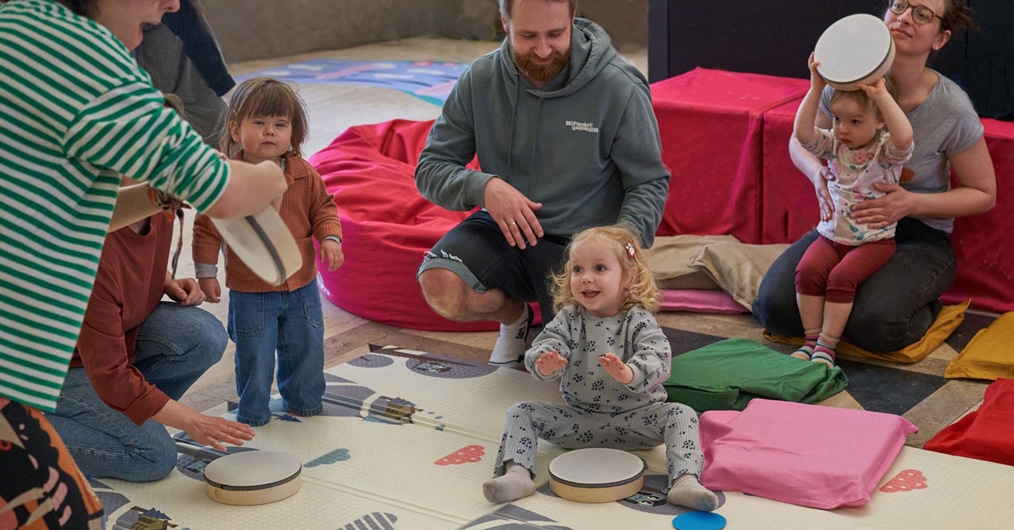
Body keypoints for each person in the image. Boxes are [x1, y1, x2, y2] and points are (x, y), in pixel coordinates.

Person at [0, 1, 286, 526]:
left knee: (198, 334)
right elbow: (224, 193)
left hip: (43, 354)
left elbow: (124, 205)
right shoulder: (76, 50)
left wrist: (162, 266)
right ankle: (114, 426)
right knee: (147, 459)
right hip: (38, 367)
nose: (174, 4)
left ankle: (120, 420)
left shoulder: (20, 26)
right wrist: (273, 175)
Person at [414, 0, 670, 367]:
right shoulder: (480, 79)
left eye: (556, 34)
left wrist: (620, 247)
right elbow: (430, 168)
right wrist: (484, 187)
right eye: (528, 35)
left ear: (573, 18)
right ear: (504, 23)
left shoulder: (618, 87)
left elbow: (648, 182)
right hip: (506, 226)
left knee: (587, 377)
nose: (543, 49)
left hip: (582, 245)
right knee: (440, 284)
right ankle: (514, 319)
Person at [753, 0, 996, 353]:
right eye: (900, 5)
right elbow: (802, 141)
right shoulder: (844, 80)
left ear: (940, 39)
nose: (904, 18)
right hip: (847, 222)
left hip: (918, 233)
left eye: (922, 14)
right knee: (776, 309)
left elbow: (984, 193)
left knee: (876, 323)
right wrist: (816, 172)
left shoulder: (951, 107)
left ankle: (921, 302)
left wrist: (910, 202)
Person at [45, 95, 256, 483]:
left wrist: (165, 282)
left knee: (202, 335)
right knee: (153, 456)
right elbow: (109, 373)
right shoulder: (88, 241)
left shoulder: (157, 204)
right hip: (52, 368)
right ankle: (17, 433)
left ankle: (128, 411)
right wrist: (190, 419)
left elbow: (134, 254)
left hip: (99, 348)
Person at [482, 226, 718, 510]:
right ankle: (517, 474)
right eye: (578, 269)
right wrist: (546, 364)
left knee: (683, 414)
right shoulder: (568, 319)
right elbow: (546, 345)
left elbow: (658, 356)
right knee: (520, 411)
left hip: (637, 421)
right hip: (581, 420)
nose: (587, 278)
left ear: (627, 277)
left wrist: (629, 373)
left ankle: (685, 480)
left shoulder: (638, 320)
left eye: (600, 268)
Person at [194, 77, 343, 427]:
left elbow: (323, 208)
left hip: (302, 284)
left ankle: (305, 405)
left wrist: (330, 238)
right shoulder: (228, 179)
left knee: (307, 348)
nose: (269, 133)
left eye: (280, 125)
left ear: (294, 132)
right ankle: (254, 413)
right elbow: (207, 227)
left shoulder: (302, 173)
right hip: (252, 290)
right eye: (259, 123)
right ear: (235, 128)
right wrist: (206, 273)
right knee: (255, 357)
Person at [790, 55, 914, 367]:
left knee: (842, 278)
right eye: (836, 119)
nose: (843, 129)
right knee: (807, 271)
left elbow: (905, 137)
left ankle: (827, 347)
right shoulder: (834, 145)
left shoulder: (886, 151)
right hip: (830, 237)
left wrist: (882, 96)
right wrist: (815, 88)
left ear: (879, 121)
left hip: (875, 242)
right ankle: (811, 341)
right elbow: (803, 134)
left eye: (855, 122)